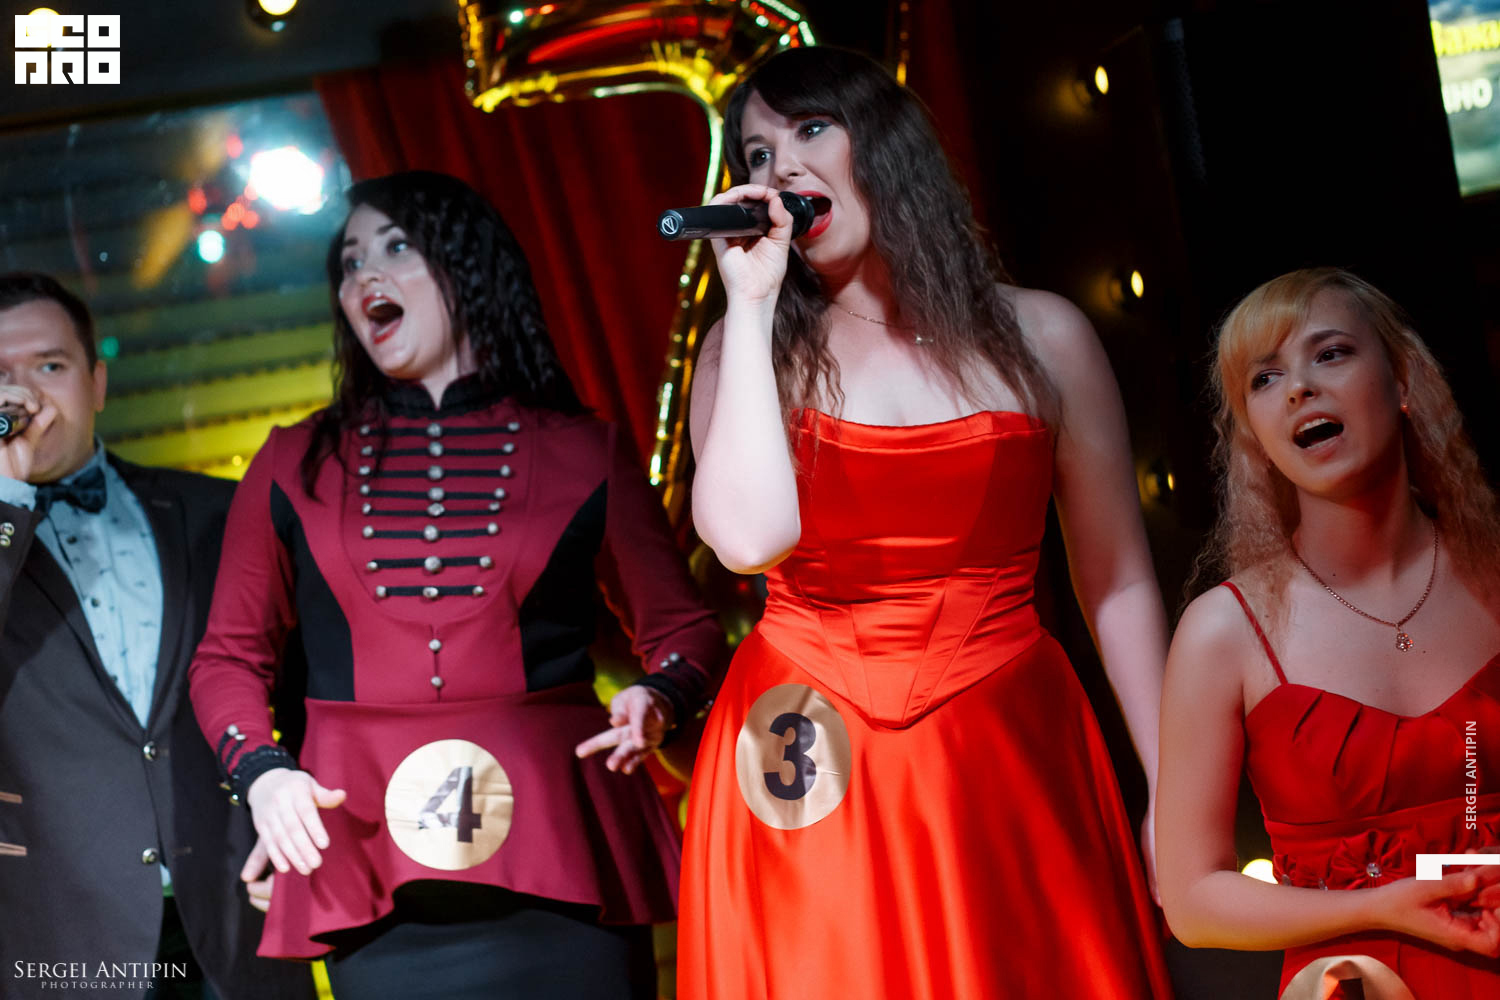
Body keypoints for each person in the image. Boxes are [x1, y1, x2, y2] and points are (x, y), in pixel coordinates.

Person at [677, 47, 1173, 999]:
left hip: (1002, 734)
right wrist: (749, 306)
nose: (782, 167)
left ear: (886, 144)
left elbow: (1116, 580)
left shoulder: (1043, 336)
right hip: (806, 745)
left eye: (810, 129)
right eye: (758, 152)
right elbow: (745, 543)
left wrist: (1170, 790)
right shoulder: (742, 356)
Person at [187, 170, 724, 999]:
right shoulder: (293, 462)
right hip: (369, 860)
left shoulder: (583, 451)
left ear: (470, 269)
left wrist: (660, 696)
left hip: (564, 850)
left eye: (397, 247)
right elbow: (227, 658)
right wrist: (262, 771)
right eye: (350, 261)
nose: (366, 275)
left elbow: (686, 632)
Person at [1157, 267, 1500, 997]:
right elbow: (1190, 901)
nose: (1299, 389)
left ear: (1402, 380)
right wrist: (1379, 907)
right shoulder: (1224, 631)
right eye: (1265, 378)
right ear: (1254, 434)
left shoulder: (1494, 576)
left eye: (1331, 353)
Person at [0, 272, 311, 1000]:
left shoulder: (218, 511)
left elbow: (303, 687)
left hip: (240, 912)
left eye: (50, 366)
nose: (24, 397)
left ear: (98, 381)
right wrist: (7, 498)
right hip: (64, 937)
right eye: (0, 378)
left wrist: (301, 834)